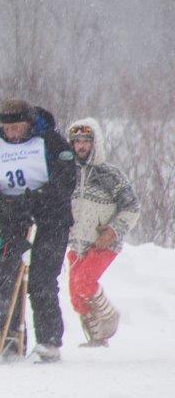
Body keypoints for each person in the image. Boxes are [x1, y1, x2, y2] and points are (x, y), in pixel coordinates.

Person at [0, 98, 77, 363]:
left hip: (52, 219)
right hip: (12, 215)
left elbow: (66, 180)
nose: (12, 133)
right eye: (8, 129)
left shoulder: (51, 142)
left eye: (17, 128)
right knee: (6, 273)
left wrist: (33, 200)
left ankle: (49, 340)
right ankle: (9, 335)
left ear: (29, 124)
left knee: (41, 277)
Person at [65, 117, 140, 347]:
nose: (81, 146)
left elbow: (132, 207)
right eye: (76, 141)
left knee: (84, 282)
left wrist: (113, 231)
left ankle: (109, 317)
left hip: (103, 242)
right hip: (76, 242)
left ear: (95, 142)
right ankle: (97, 336)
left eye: (86, 140)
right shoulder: (66, 173)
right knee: (76, 297)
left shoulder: (109, 175)